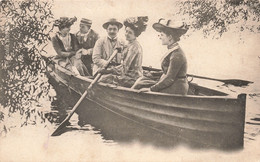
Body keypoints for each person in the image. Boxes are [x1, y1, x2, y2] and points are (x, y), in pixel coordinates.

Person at [132, 18, 189, 95]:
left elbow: (169, 78)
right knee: (141, 81)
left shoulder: (177, 54)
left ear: (170, 37)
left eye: (162, 35)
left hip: (176, 88)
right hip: (171, 83)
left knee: (142, 88)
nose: (160, 37)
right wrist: (152, 73)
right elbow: (168, 72)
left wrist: (151, 89)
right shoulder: (173, 50)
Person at [98, 16, 148, 87]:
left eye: (130, 33)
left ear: (135, 35)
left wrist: (109, 71)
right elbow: (126, 50)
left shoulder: (135, 47)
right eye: (126, 31)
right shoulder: (130, 43)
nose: (126, 34)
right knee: (104, 78)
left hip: (132, 77)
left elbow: (124, 67)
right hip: (126, 74)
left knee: (104, 79)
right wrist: (120, 49)